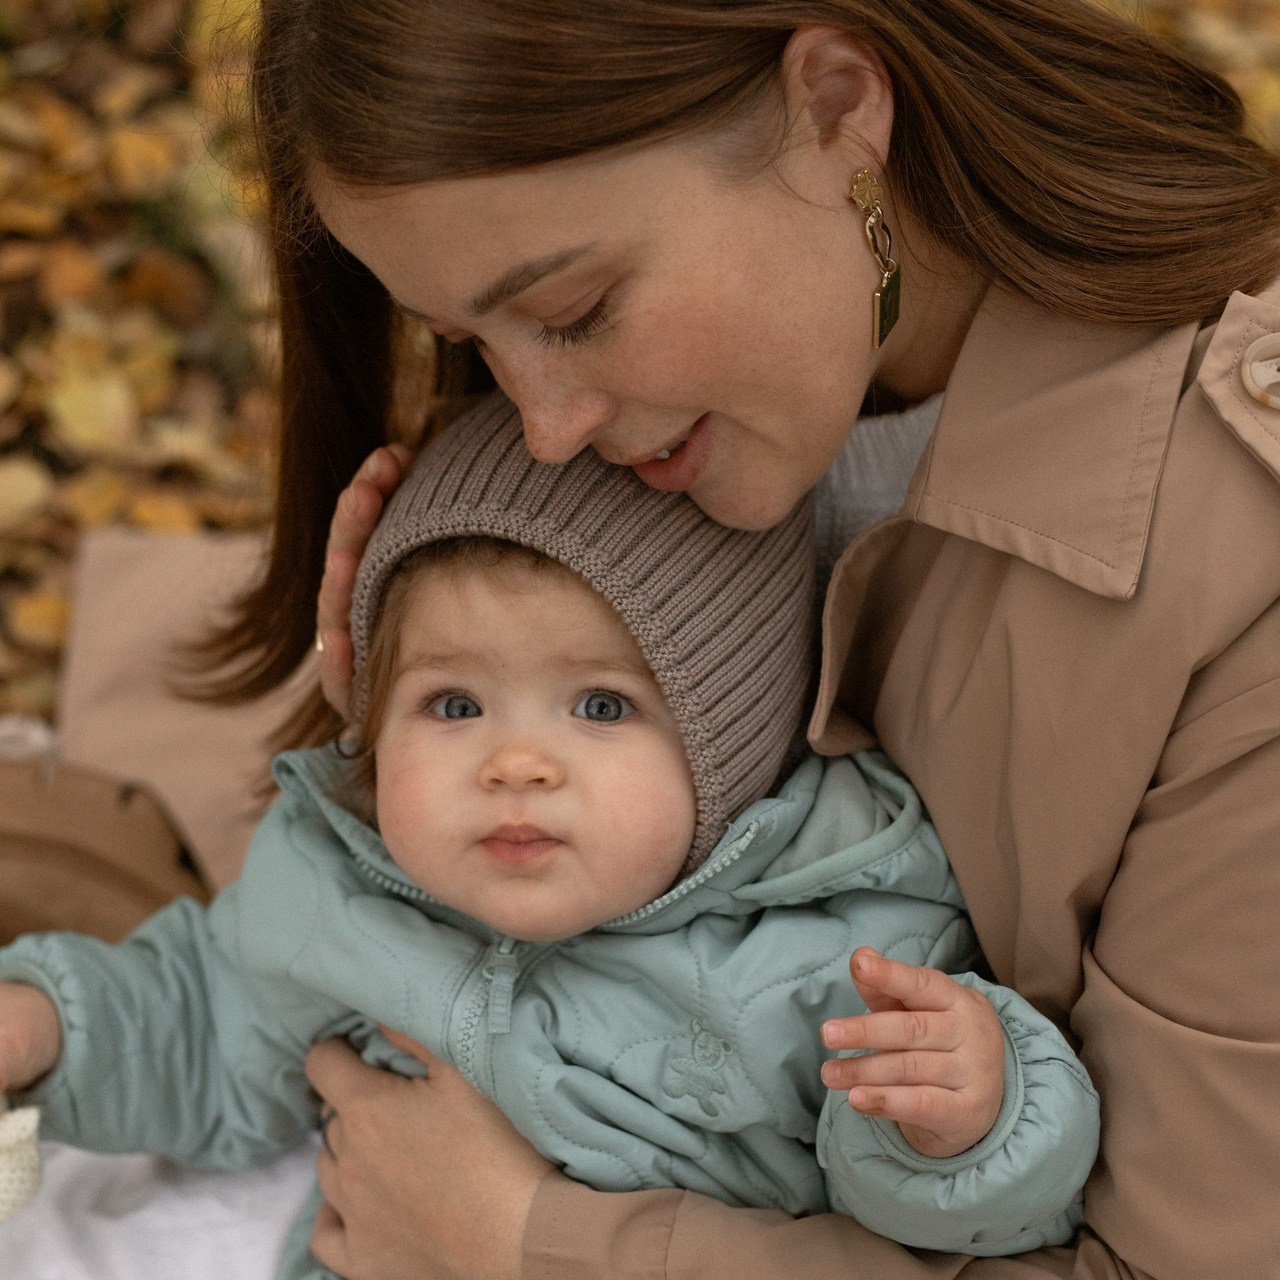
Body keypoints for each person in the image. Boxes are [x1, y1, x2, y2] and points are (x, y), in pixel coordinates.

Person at [192, 1, 1280, 1278]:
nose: (540, 425)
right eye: (469, 340)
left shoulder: (1236, 555)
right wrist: (410, 705)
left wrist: (533, 1243)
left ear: (831, 107)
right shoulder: (657, 421)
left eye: (575, 306)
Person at [0, 398, 1097, 1278]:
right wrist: (50, 1025)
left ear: (728, 755)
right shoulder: (343, 884)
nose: (514, 763)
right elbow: (207, 1024)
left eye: (601, 708)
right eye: (453, 705)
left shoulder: (834, 947)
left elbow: (935, 1219)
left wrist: (969, 1121)